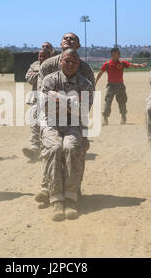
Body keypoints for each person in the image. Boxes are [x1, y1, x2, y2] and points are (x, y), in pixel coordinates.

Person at [40, 49, 93, 222]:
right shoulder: (49, 80)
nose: (71, 65)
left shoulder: (85, 84)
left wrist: (60, 99)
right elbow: (45, 107)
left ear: (79, 64)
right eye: (67, 61)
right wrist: (72, 101)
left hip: (74, 124)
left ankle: (71, 198)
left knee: (71, 147)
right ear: (60, 61)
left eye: (75, 62)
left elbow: (83, 111)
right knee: (54, 148)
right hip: (52, 123)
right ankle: (56, 199)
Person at [96, 47, 146, 126]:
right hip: (111, 86)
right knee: (108, 102)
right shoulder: (107, 64)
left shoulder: (122, 63)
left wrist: (140, 65)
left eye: (119, 53)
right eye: (116, 53)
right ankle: (105, 119)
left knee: (122, 102)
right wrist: (96, 82)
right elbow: (100, 73)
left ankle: (123, 117)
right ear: (112, 54)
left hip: (120, 85)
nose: (118, 54)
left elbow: (131, 65)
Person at [22, 49, 51, 161]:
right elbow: (28, 78)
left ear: (49, 56)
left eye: (43, 55)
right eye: (39, 55)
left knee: (48, 125)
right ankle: (34, 148)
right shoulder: (34, 65)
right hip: (36, 99)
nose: (41, 57)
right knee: (34, 123)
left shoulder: (55, 65)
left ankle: (48, 147)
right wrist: (41, 73)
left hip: (51, 100)